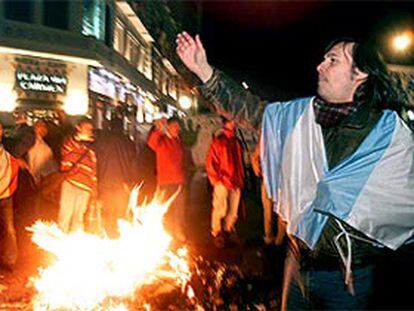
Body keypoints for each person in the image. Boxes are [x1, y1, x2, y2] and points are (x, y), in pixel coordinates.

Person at [176, 32, 414, 309]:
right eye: (324, 58)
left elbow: (402, 203)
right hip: (296, 266)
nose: (320, 66)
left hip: (349, 281)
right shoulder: (300, 117)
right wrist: (204, 71)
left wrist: (352, 214)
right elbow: (251, 110)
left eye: (333, 60)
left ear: (359, 73)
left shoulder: (388, 136)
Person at [94, 117, 140, 238]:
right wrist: (131, 182)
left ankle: (108, 238)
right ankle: (118, 238)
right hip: (123, 183)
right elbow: (133, 163)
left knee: (108, 213)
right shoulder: (128, 142)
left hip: (105, 181)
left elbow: (96, 161)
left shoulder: (102, 141)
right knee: (121, 213)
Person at [205, 117, 245, 247]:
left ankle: (227, 231)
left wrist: (241, 179)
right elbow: (210, 162)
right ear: (226, 123)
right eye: (232, 120)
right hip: (223, 181)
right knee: (220, 208)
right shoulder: (219, 142)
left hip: (235, 181)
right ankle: (217, 233)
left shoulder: (236, 142)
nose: (234, 123)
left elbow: (239, 163)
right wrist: (216, 179)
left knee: (233, 211)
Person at [147, 117, 187, 243]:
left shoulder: (178, 142)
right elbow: (151, 143)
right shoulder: (161, 140)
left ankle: (178, 230)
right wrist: (159, 128)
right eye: (175, 126)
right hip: (165, 182)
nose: (178, 129)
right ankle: (166, 231)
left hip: (178, 181)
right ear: (169, 127)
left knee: (179, 209)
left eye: (178, 127)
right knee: (165, 209)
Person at [58, 118, 97, 233]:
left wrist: (94, 188)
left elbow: (93, 170)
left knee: (78, 219)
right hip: (70, 184)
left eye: (91, 129)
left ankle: (73, 244)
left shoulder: (91, 149)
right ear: (78, 128)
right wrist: (82, 147)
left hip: (85, 187)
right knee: (65, 216)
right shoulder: (69, 143)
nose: (89, 131)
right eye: (87, 128)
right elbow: (66, 160)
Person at [0, 122, 20, 269]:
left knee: (9, 229)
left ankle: (9, 260)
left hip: (6, 196)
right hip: (5, 193)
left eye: (0, 129)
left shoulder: (8, 146)